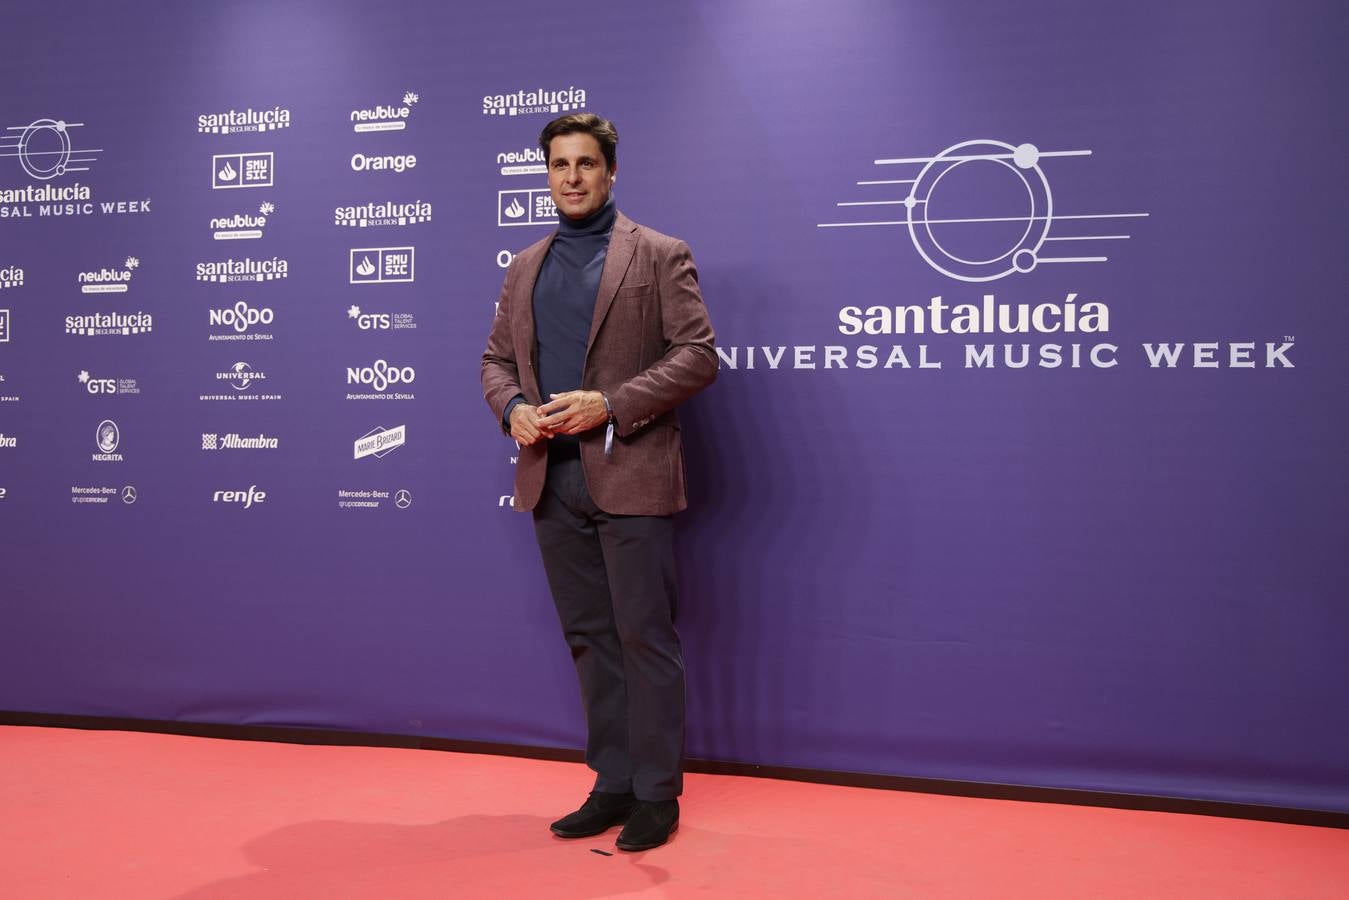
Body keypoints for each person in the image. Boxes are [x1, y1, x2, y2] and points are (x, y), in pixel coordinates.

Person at [481, 112, 716, 851]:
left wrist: (610, 404)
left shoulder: (658, 255)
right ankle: (611, 782)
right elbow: (494, 362)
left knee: (643, 637)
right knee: (589, 639)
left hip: (632, 473)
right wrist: (513, 407)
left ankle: (655, 794)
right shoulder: (525, 266)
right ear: (546, 174)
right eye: (559, 165)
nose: (572, 177)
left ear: (611, 171)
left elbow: (697, 355)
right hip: (551, 480)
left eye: (585, 164)